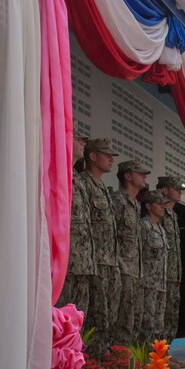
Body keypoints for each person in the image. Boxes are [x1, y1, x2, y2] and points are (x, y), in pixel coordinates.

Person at [59, 137, 118, 355]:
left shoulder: (92, 185)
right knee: (73, 317)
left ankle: (88, 367)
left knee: (97, 316)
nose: (111, 158)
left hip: (92, 261)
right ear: (93, 157)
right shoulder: (79, 180)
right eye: (106, 153)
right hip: (74, 261)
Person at [112, 159, 149, 346]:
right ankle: (119, 364)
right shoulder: (118, 201)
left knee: (135, 320)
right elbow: (112, 236)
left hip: (136, 271)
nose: (144, 177)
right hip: (123, 269)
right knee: (123, 320)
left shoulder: (135, 205)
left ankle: (131, 365)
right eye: (140, 173)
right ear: (127, 176)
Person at [156, 176, 185, 365]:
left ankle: (165, 353)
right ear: (165, 191)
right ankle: (157, 355)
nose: (180, 192)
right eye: (177, 189)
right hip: (160, 274)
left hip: (174, 273)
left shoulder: (173, 215)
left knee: (171, 315)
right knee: (159, 316)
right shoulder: (159, 214)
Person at [137, 189, 169, 343]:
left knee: (158, 323)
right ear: (149, 206)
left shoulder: (161, 229)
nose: (163, 207)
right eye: (159, 204)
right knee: (147, 321)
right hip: (147, 283)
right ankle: (145, 358)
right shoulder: (143, 225)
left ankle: (158, 357)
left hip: (161, 284)